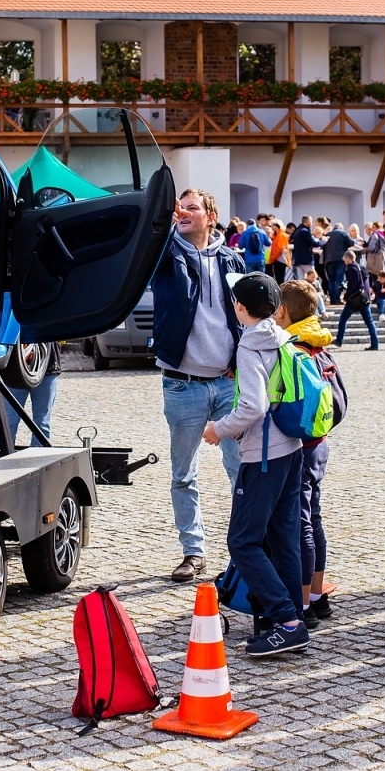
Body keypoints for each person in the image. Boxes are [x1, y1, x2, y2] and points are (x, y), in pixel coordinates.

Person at [202, 272, 309, 657]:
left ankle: (286, 621)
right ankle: (295, 614)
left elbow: (252, 406)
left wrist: (220, 429)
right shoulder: (280, 335)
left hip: (263, 455)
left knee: (243, 540)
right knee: (283, 538)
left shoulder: (249, 346)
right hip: (291, 448)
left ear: (240, 308)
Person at [151, 188, 245, 583]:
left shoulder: (233, 259)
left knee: (241, 470)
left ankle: (244, 552)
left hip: (226, 386)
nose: (183, 213)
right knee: (183, 473)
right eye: (180, 209)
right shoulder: (164, 255)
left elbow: (247, 317)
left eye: (192, 208)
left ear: (210, 216)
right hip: (182, 385)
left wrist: (240, 361)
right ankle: (193, 552)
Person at [277, 279, 339, 622]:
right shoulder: (318, 343)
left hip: (298, 446)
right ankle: (317, 595)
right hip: (320, 443)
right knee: (314, 518)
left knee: (298, 522)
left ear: (282, 312)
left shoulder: (292, 348)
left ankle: (301, 605)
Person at [3, 343, 61, 448]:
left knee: (42, 422)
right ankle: (2, 456)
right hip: (15, 370)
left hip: (47, 367)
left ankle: (38, 457)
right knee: (8, 420)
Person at [334, 250, 378, 350]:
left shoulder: (351, 268)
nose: (344, 261)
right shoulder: (361, 267)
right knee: (369, 321)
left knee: (343, 318)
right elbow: (366, 281)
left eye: (344, 259)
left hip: (354, 299)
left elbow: (353, 284)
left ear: (348, 258)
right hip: (364, 298)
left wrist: (346, 296)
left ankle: (339, 340)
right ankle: (375, 344)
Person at [321, 220, 354, 300]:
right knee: (338, 279)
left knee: (331, 280)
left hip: (329, 260)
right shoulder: (343, 233)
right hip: (340, 259)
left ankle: (332, 299)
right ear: (341, 228)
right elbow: (351, 243)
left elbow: (322, 246)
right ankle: (337, 298)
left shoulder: (327, 235)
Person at [291, 216, 318, 281]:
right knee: (313, 278)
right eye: (311, 222)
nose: (312, 224)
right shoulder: (305, 231)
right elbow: (314, 243)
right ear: (308, 222)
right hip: (306, 260)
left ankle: (301, 291)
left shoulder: (297, 231)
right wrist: (322, 241)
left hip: (298, 260)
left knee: (301, 280)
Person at [267, 220, 291, 284]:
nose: (272, 227)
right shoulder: (278, 235)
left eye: (273, 225)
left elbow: (279, 249)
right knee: (278, 278)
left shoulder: (281, 235)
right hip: (278, 259)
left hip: (280, 259)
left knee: (280, 278)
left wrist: (272, 258)